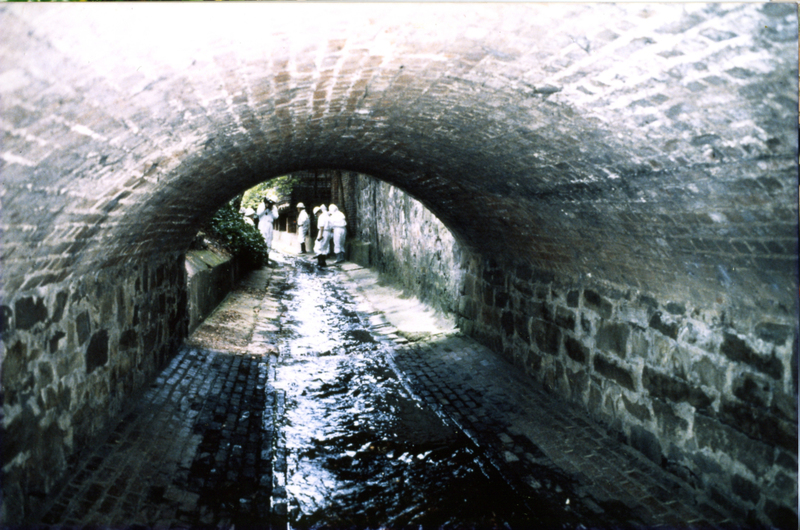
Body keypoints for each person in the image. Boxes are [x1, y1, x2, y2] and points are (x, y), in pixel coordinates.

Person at [256, 197, 278, 262]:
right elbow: (258, 213)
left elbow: (276, 216)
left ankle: (266, 257)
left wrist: (271, 210)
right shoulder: (261, 205)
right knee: (262, 239)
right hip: (262, 224)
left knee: (269, 240)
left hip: (269, 224)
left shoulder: (274, 208)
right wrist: (265, 208)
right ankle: (261, 258)